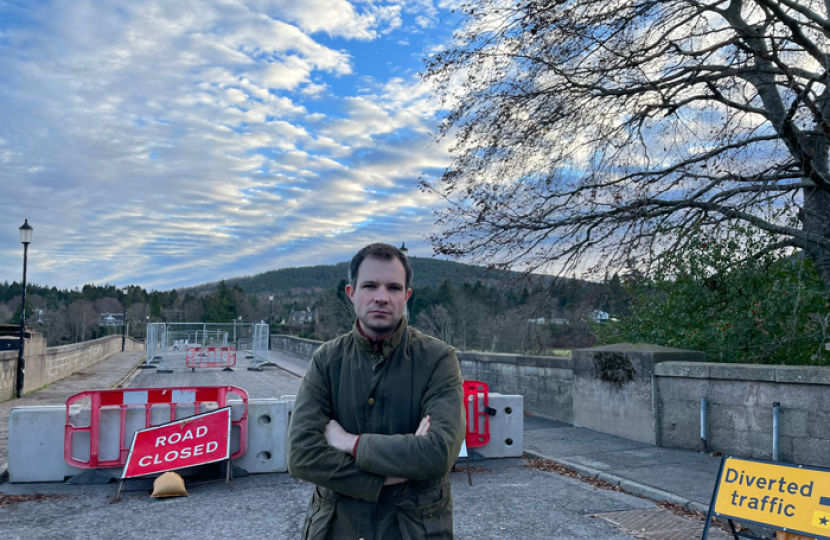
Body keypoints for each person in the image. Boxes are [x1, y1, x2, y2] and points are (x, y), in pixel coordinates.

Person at [288, 243, 465, 539]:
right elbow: (302, 456)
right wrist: (395, 473)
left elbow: (438, 453)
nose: (382, 297)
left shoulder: (438, 359)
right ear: (352, 293)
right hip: (337, 529)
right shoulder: (327, 360)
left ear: (406, 296)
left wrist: (349, 442)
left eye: (394, 288)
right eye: (370, 285)